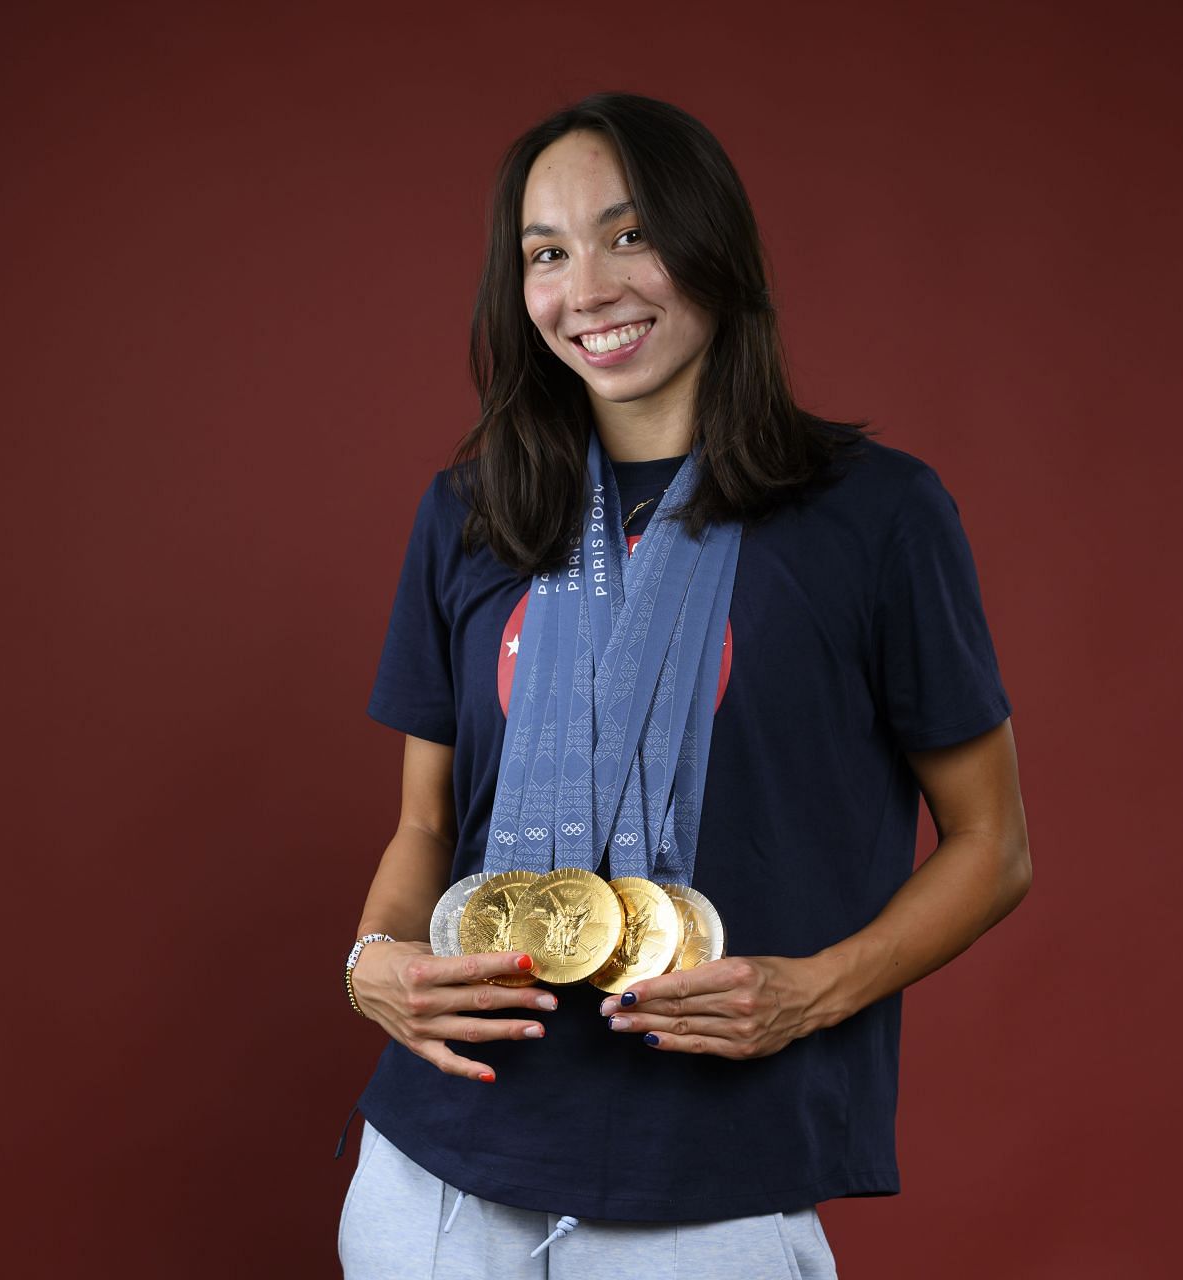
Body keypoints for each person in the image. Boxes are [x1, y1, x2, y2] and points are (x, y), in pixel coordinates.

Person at [340, 91, 1031, 1279]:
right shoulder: (469, 515)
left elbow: (994, 843)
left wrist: (812, 994)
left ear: (712, 244)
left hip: (710, 1183)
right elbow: (424, 822)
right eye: (544, 254)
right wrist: (372, 964)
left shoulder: (876, 516)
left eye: (628, 233)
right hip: (438, 1171)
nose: (588, 287)